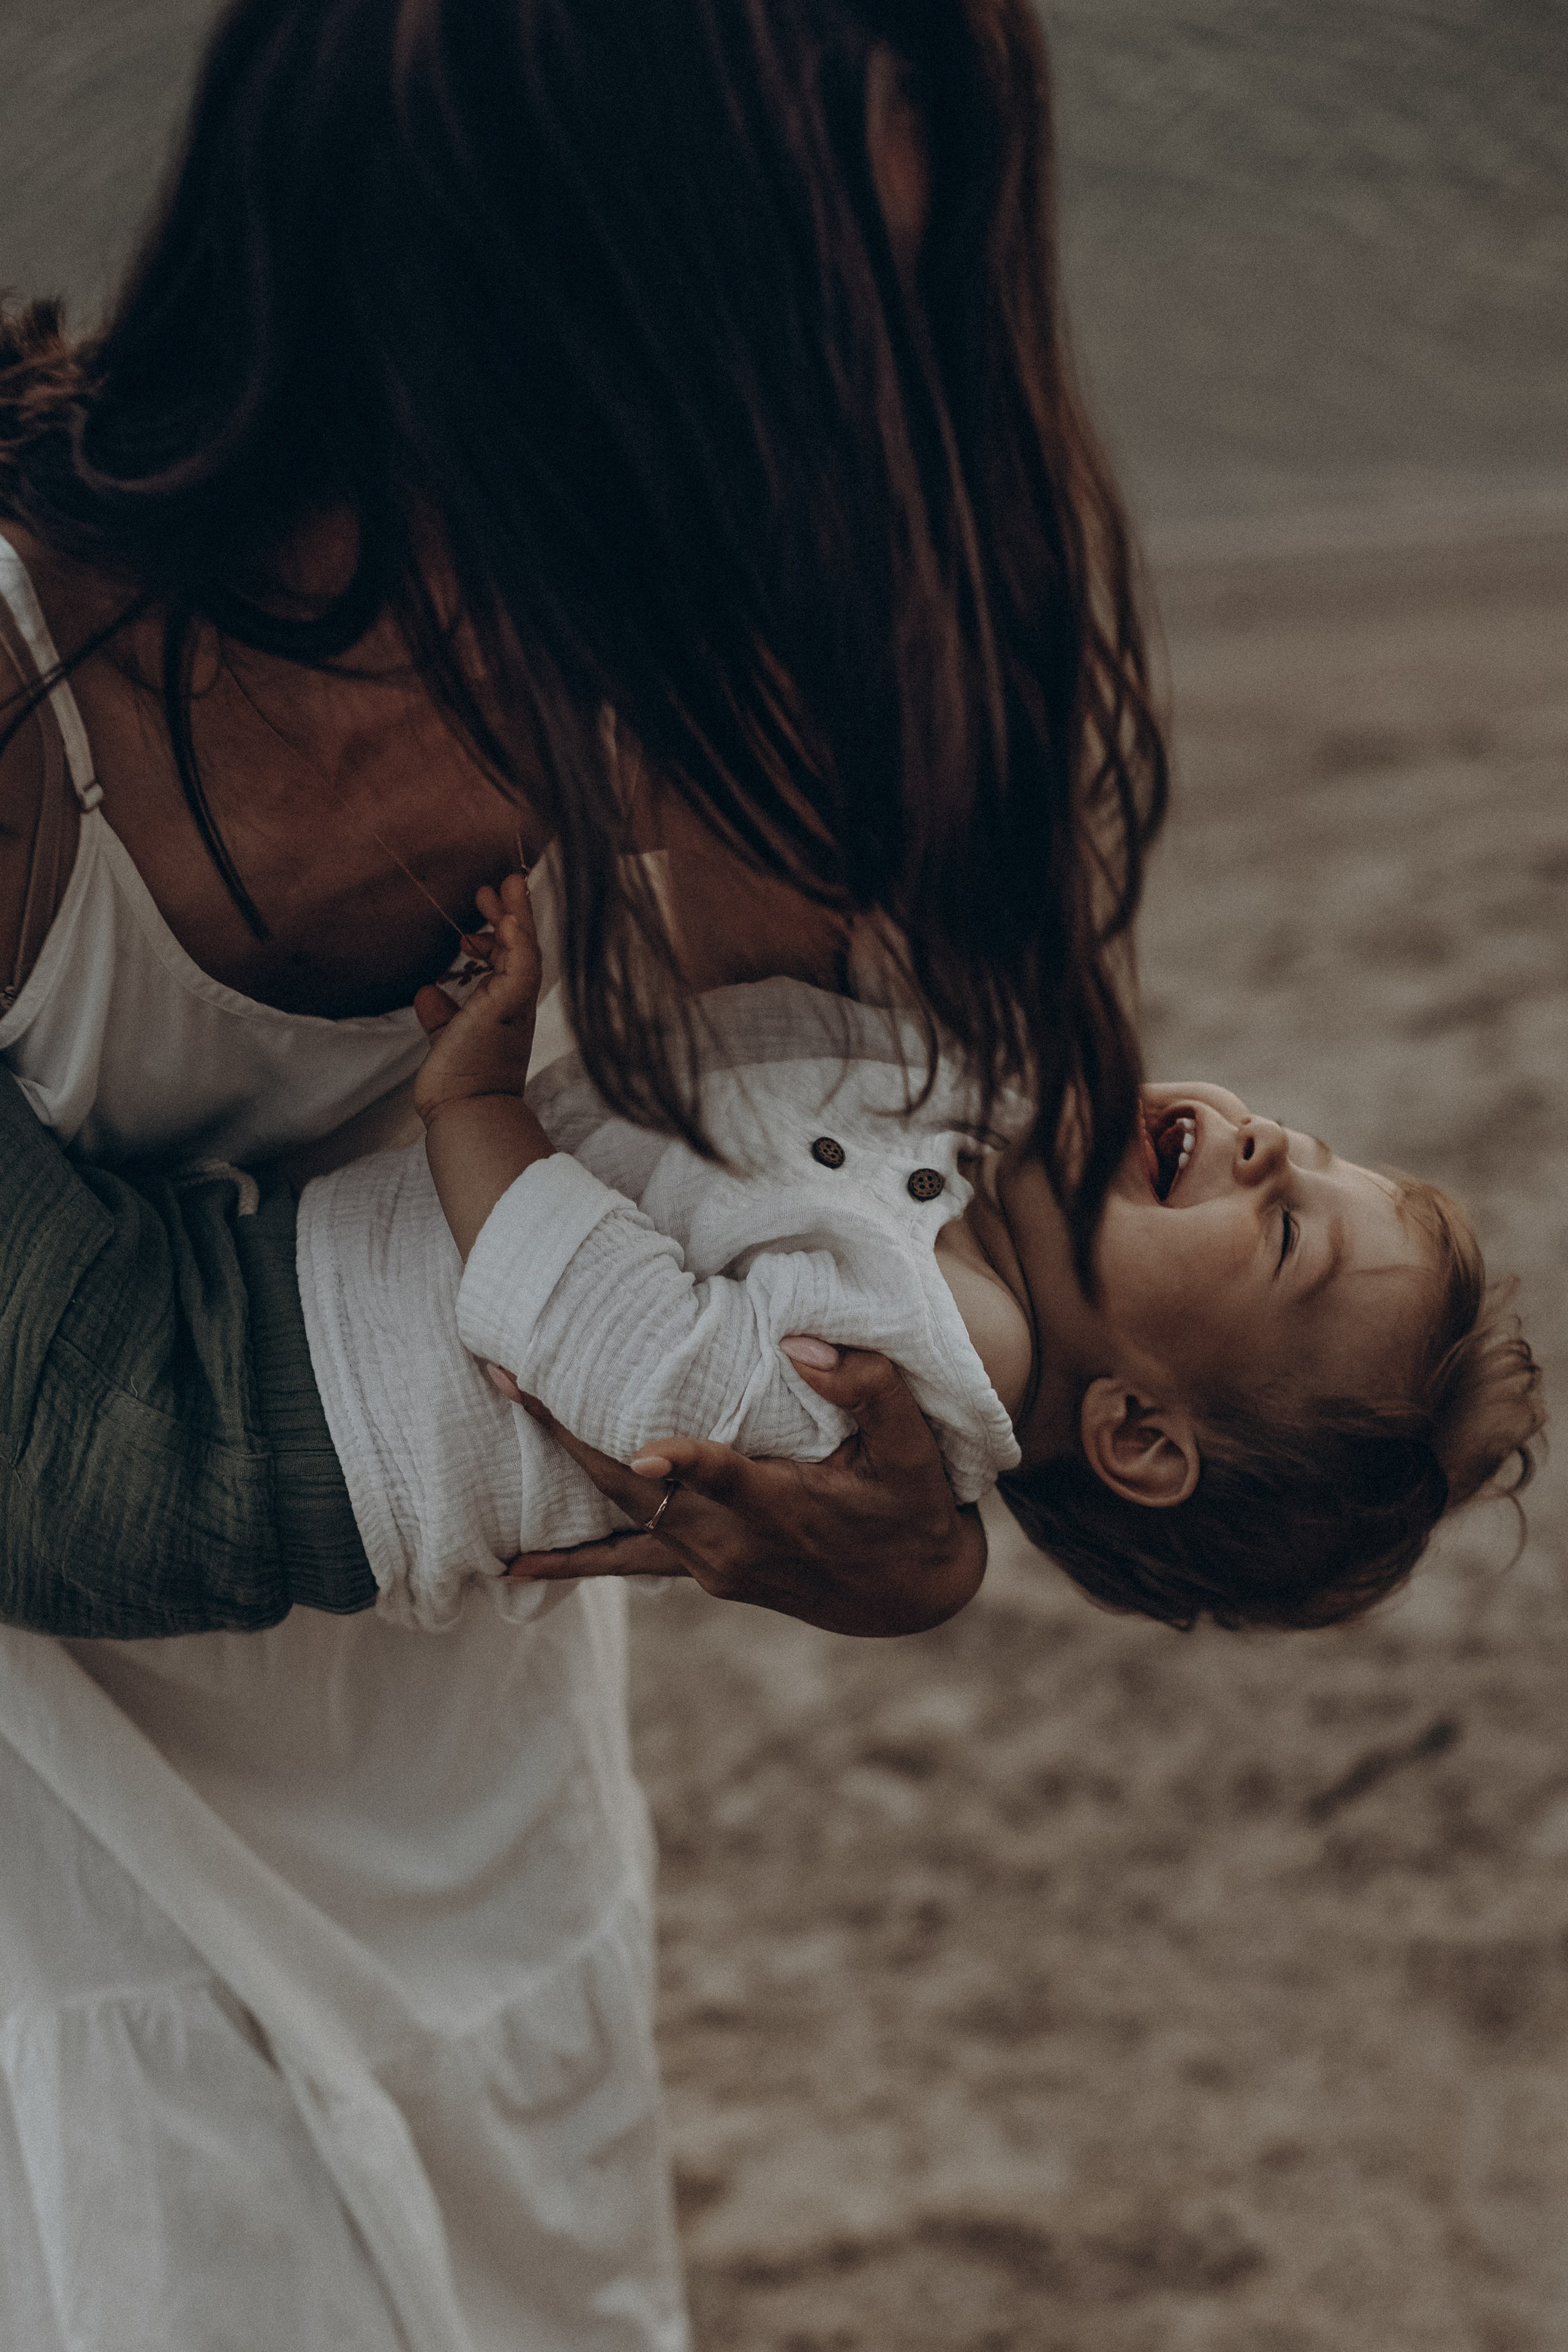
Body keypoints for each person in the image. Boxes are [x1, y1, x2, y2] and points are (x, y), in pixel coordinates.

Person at [0, 1, 1170, 2344]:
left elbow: (893, 1228)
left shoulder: (763, 714)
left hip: (451, 1777)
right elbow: (59, 1436)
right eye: (774, 324)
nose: (863, 454)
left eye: (901, 324)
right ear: (444, 265)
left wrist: (911, 1524)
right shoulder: (32, 719)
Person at [288, 870, 1540, 1639]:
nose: (1268, 1144)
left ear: (1139, 1435)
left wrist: (474, 1105)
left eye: (1283, 1236)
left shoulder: (930, 1360)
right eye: (1310, 1146)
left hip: (290, 1421)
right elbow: (832, 964)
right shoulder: (991, 1137)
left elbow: (626, 1350)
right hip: (302, 1270)